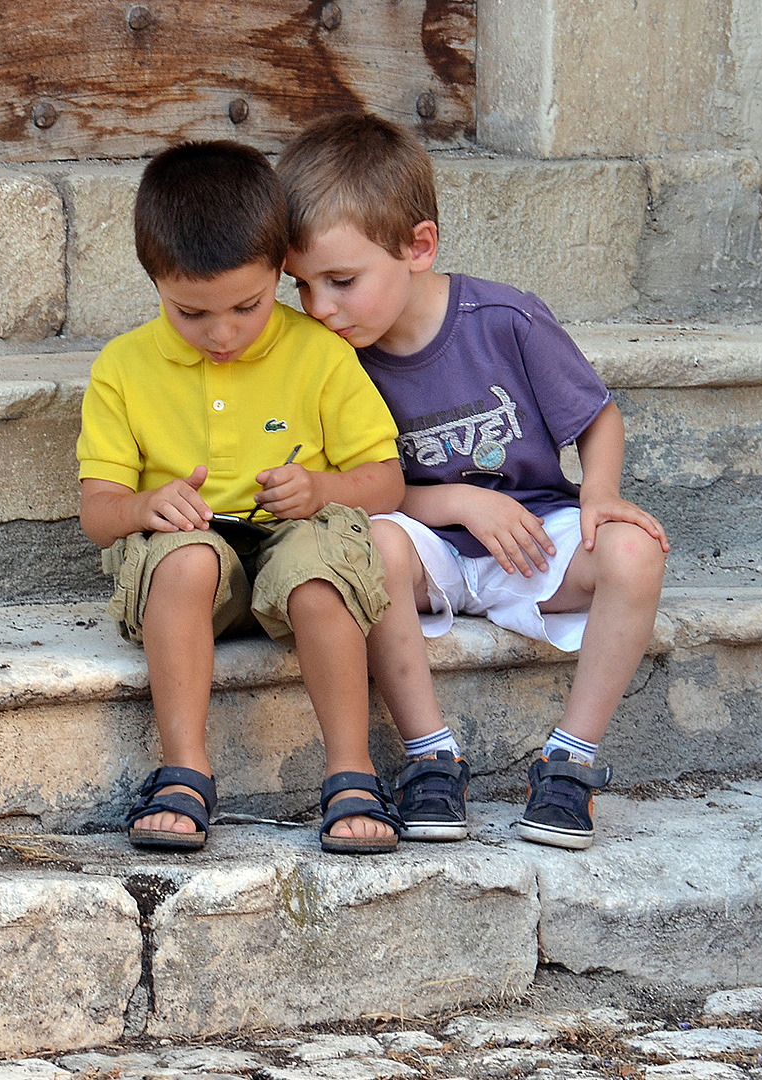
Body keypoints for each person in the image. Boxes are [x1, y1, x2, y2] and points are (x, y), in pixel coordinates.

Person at [277, 112, 670, 850]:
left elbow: (596, 417)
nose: (319, 308)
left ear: (418, 246)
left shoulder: (504, 319)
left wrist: (600, 494)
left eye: (340, 281)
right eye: (301, 286)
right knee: (372, 548)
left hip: (529, 538)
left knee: (634, 553)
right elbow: (362, 486)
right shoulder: (328, 355)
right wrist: (458, 500)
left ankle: (569, 762)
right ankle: (430, 757)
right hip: (425, 545)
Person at [75, 140, 408, 855]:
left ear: (281, 269)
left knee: (321, 570)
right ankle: (184, 768)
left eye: (247, 306)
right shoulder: (124, 368)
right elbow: (98, 516)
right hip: (193, 566)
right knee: (185, 561)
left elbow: (386, 483)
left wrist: (321, 487)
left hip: (296, 548)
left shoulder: (319, 353)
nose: (221, 333)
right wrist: (143, 506)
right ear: (154, 282)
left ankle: (351, 769)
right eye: (191, 314)